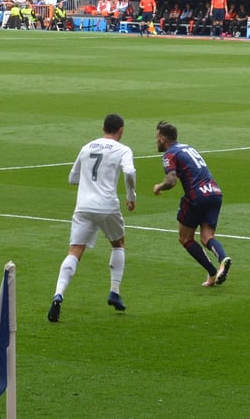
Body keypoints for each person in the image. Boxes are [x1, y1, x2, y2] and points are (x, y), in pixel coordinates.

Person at [47, 113, 137, 322]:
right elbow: (130, 172)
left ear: (102, 127)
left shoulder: (87, 147)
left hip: (83, 206)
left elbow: (72, 178)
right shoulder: (123, 149)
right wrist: (131, 196)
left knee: (74, 251)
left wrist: (89, 185)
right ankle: (114, 291)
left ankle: (58, 294)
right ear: (121, 130)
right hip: (107, 205)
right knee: (118, 244)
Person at [153, 121, 232, 287]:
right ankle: (222, 259)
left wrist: (159, 186)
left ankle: (212, 271)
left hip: (197, 196)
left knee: (185, 238)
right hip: (215, 192)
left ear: (162, 138)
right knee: (206, 237)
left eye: (156, 137)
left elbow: (172, 180)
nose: (155, 141)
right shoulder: (188, 147)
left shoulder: (169, 155)